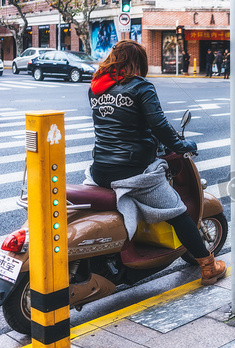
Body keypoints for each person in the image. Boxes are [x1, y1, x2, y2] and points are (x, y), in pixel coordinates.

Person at [87, 40, 226, 285]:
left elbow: (120, 126)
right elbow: (159, 125)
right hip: (135, 171)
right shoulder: (141, 87)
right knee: (177, 211)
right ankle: (208, 266)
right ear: (138, 63)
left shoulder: (96, 88)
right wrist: (183, 146)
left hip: (100, 171)